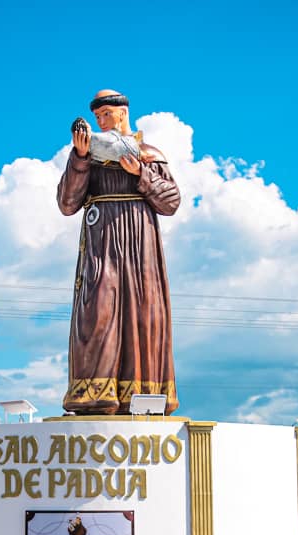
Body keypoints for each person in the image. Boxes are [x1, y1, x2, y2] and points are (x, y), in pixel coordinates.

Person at [57, 89, 181, 415]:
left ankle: (143, 397)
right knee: (96, 313)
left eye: (106, 115)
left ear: (123, 113)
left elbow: (171, 201)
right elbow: (68, 203)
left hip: (141, 247)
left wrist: (140, 173)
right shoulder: (88, 156)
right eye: (97, 117)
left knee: (144, 315)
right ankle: (95, 396)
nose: (101, 121)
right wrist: (81, 159)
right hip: (102, 246)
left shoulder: (149, 154)